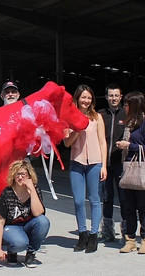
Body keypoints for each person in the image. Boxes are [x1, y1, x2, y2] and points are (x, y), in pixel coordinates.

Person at [63, 84, 107, 253]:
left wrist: (104, 165)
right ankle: (83, 234)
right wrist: (77, 130)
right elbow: (67, 143)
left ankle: (94, 235)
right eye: (83, 97)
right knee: (78, 201)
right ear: (77, 98)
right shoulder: (69, 118)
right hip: (77, 162)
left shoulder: (97, 117)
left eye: (89, 97)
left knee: (94, 199)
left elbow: (103, 142)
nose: (86, 101)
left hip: (95, 162)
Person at [114, 91, 145, 254]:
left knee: (142, 206)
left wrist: (128, 146)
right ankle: (130, 239)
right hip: (128, 166)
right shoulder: (129, 122)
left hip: (141, 167)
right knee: (129, 206)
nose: (124, 106)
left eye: (127, 104)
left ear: (135, 105)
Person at [0, 160, 49, 268]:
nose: (20, 177)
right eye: (17, 174)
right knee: (20, 243)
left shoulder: (34, 189)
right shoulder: (7, 193)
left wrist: (32, 189)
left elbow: (38, 213)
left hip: (28, 225)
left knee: (43, 221)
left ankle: (31, 253)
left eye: (23, 174)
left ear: (29, 175)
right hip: (12, 227)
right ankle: (12, 252)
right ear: (13, 176)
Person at [97, 83, 126, 242]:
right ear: (106, 97)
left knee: (124, 198)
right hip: (105, 165)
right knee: (107, 198)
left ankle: (126, 231)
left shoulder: (126, 114)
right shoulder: (100, 115)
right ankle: (107, 231)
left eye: (116, 95)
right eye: (111, 95)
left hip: (121, 164)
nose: (113, 98)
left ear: (121, 97)